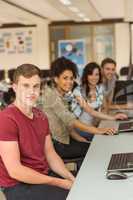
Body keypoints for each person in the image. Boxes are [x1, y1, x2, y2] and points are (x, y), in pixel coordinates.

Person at [0, 64, 75, 200]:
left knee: (83, 184)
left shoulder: (41, 116)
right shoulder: (6, 119)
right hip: (18, 186)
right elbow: (15, 171)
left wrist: (71, 178)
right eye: (26, 86)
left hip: (42, 177)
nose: (31, 91)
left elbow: (50, 154)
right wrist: (59, 182)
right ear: (15, 87)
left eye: (36, 86)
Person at [40, 57, 116, 160]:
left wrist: (82, 140)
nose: (70, 82)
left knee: (93, 145)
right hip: (57, 145)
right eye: (65, 78)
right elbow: (71, 120)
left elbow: (69, 127)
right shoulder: (51, 96)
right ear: (56, 79)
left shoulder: (65, 95)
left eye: (71, 78)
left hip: (66, 139)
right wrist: (98, 130)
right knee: (97, 149)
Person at [64, 62, 127, 139]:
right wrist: (113, 117)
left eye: (96, 74)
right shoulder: (77, 91)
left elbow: (105, 106)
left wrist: (113, 116)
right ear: (86, 75)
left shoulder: (100, 88)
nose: (94, 77)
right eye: (91, 74)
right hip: (83, 129)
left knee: (118, 132)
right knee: (113, 136)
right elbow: (90, 111)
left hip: (95, 126)